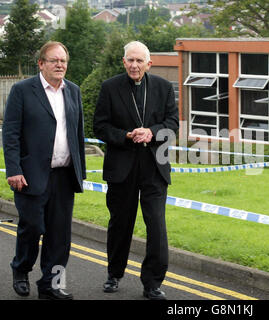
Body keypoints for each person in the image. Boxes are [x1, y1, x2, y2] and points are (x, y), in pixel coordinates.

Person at [93, 41, 178, 300]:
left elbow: (173, 124)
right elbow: (100, 126)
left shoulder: (163, 88)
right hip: (122, 168)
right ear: (123, 62)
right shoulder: (110, 87)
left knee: (156, 227)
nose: (134, 65)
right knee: (120, 224)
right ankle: (114, 274)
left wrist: (152, 132)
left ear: (149, 64)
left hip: (154, 167)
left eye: (139, 61)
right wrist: (126, 135)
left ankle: (152, 283)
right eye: (130, 60)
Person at [2, 41, 86, 300]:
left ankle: (52, 284)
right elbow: (11, 133)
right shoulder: (22, 90)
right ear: (41, 64)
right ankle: (21, 269)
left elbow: (78, 132)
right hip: (30, 175)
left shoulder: (73, 91)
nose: (60, 65)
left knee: (60, 236)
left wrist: (80, 171)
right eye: (54, 60)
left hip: (64, 175)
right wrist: (13, 169)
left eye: (63, 61)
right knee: (33, 227)